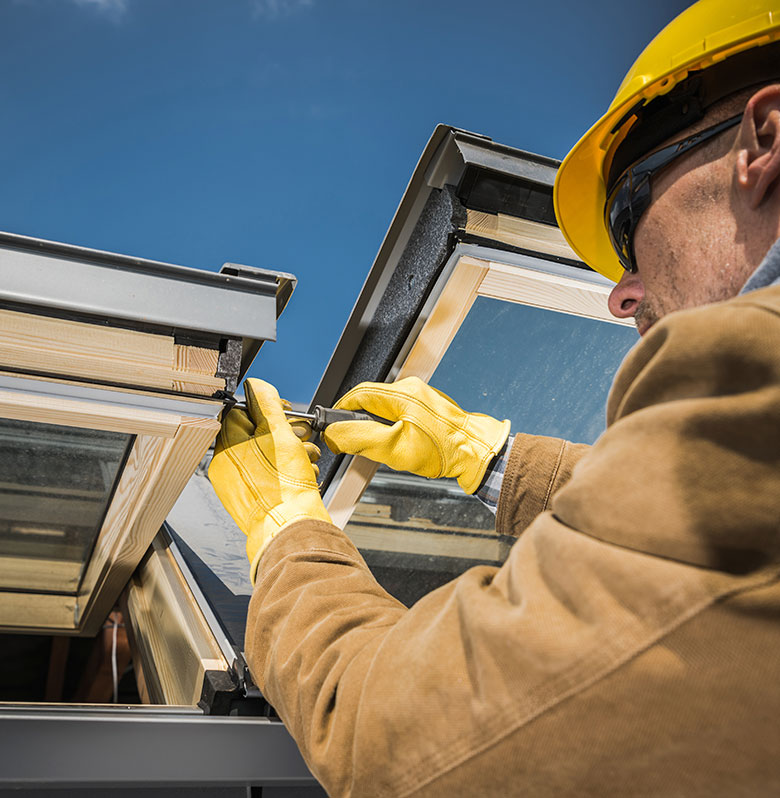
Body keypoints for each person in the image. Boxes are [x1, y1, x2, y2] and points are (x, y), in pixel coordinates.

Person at [208, 2, 780, 795]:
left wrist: (288, 534)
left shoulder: (752, 378)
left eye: (628, 216)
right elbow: (713, 528)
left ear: (768, 141)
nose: (621, 295)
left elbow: (397, 739)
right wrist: (491, 459)